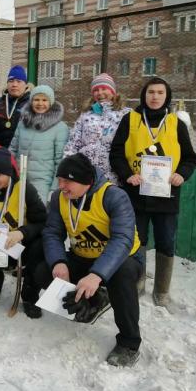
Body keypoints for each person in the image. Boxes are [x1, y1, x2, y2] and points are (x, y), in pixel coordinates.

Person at [37, 154, 143, 367]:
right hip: (82, 255)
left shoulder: (114, 196)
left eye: (67, 181)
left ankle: (129, 343)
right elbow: (52, 232)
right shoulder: (59, 198)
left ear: (85, 181)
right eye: (59, 180)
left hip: (122, 259)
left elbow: (122, 239)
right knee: (43, 271)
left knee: (121, 278)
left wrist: (96, 275)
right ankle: (93, 302)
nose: (61, 186)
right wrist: (59, 262)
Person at [109, 77, 196, 305]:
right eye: (151, 92)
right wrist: (127, 174)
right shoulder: (131, 119)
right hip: (136, 193)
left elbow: (189, 158)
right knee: (137, 240)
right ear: (144, 95)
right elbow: (116, 153)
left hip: (166, 195)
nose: (155, 96)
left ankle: (162, 291)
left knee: (166, 241)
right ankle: (137, 283)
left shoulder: (175, 123)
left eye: (160, 92)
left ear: (167, 96)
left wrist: (181, 175)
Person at [0, 149, 47, 317]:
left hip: (19, 245)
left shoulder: (24, 189)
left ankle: (29, 295)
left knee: (41, 246)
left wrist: (23, 232)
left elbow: (43, 222)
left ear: (9, 173)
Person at [64, 73, 131, 184]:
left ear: (113, 91)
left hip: (114, 174)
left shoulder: (125, 114)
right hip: (87, 172)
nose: (100, 93)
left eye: (104, 89)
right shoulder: (86, 115)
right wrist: (67, 166)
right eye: (96, 90)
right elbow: (73, 143)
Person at [9, 85, 69, 204]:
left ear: (50, 102)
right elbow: (12, 150)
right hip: (19, 178)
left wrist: (54, 188)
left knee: (38, 215)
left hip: (43, 182)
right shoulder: (23, 124)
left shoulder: (60, 128)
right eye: (36, 99)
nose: (40, 103)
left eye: (44, 100)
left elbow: (60, 161)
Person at [0, 65, 31, 147]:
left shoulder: (32, 105)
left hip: (22, 154)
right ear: (7, 83)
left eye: (18, 81)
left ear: (26, 84)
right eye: (11, 81)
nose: (14, 84)